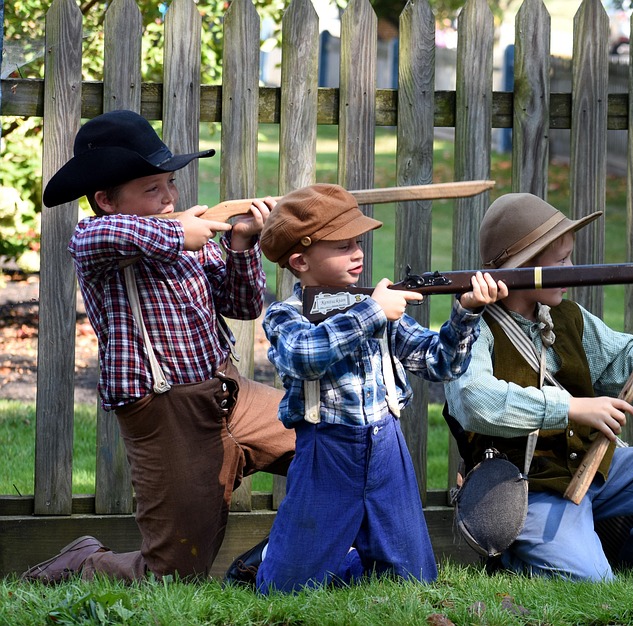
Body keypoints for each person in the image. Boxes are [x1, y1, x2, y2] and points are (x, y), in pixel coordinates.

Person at [22, 109, 296, 583]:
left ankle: (285, 561)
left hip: (231, 396)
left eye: (170, 183)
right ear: (105, 199)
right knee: (172, 575)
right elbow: (110, 234)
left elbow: (245, 305)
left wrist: (241, 247)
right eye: (152, 189)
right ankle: (84, 562)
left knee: (333, 440)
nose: (170, 198)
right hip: (166, 414)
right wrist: (181, 231)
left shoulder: (192, 235)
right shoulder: (96, 239)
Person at [254, 183, 508, 593]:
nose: (358, 252)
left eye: (358, 242)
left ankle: (349, 554)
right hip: (325, 454)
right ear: (300, 260)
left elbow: (439, 363)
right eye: (342, 246)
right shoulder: (287, 315)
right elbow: (304, 357)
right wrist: (373, 311)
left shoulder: (377, 305)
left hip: (387, 449)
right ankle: (295, 555)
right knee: (283, 590)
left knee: (415, 580)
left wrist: (467, 313)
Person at [443, 192, 633, 582]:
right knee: (591, 582)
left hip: (591, 472)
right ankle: (520, 558)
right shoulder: (471, 330)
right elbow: (474, 401)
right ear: (523, 267)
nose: (573, 268)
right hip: (525, 489)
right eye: (562, 260)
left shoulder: (567, 316)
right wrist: (571, 408)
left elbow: (627, 366)